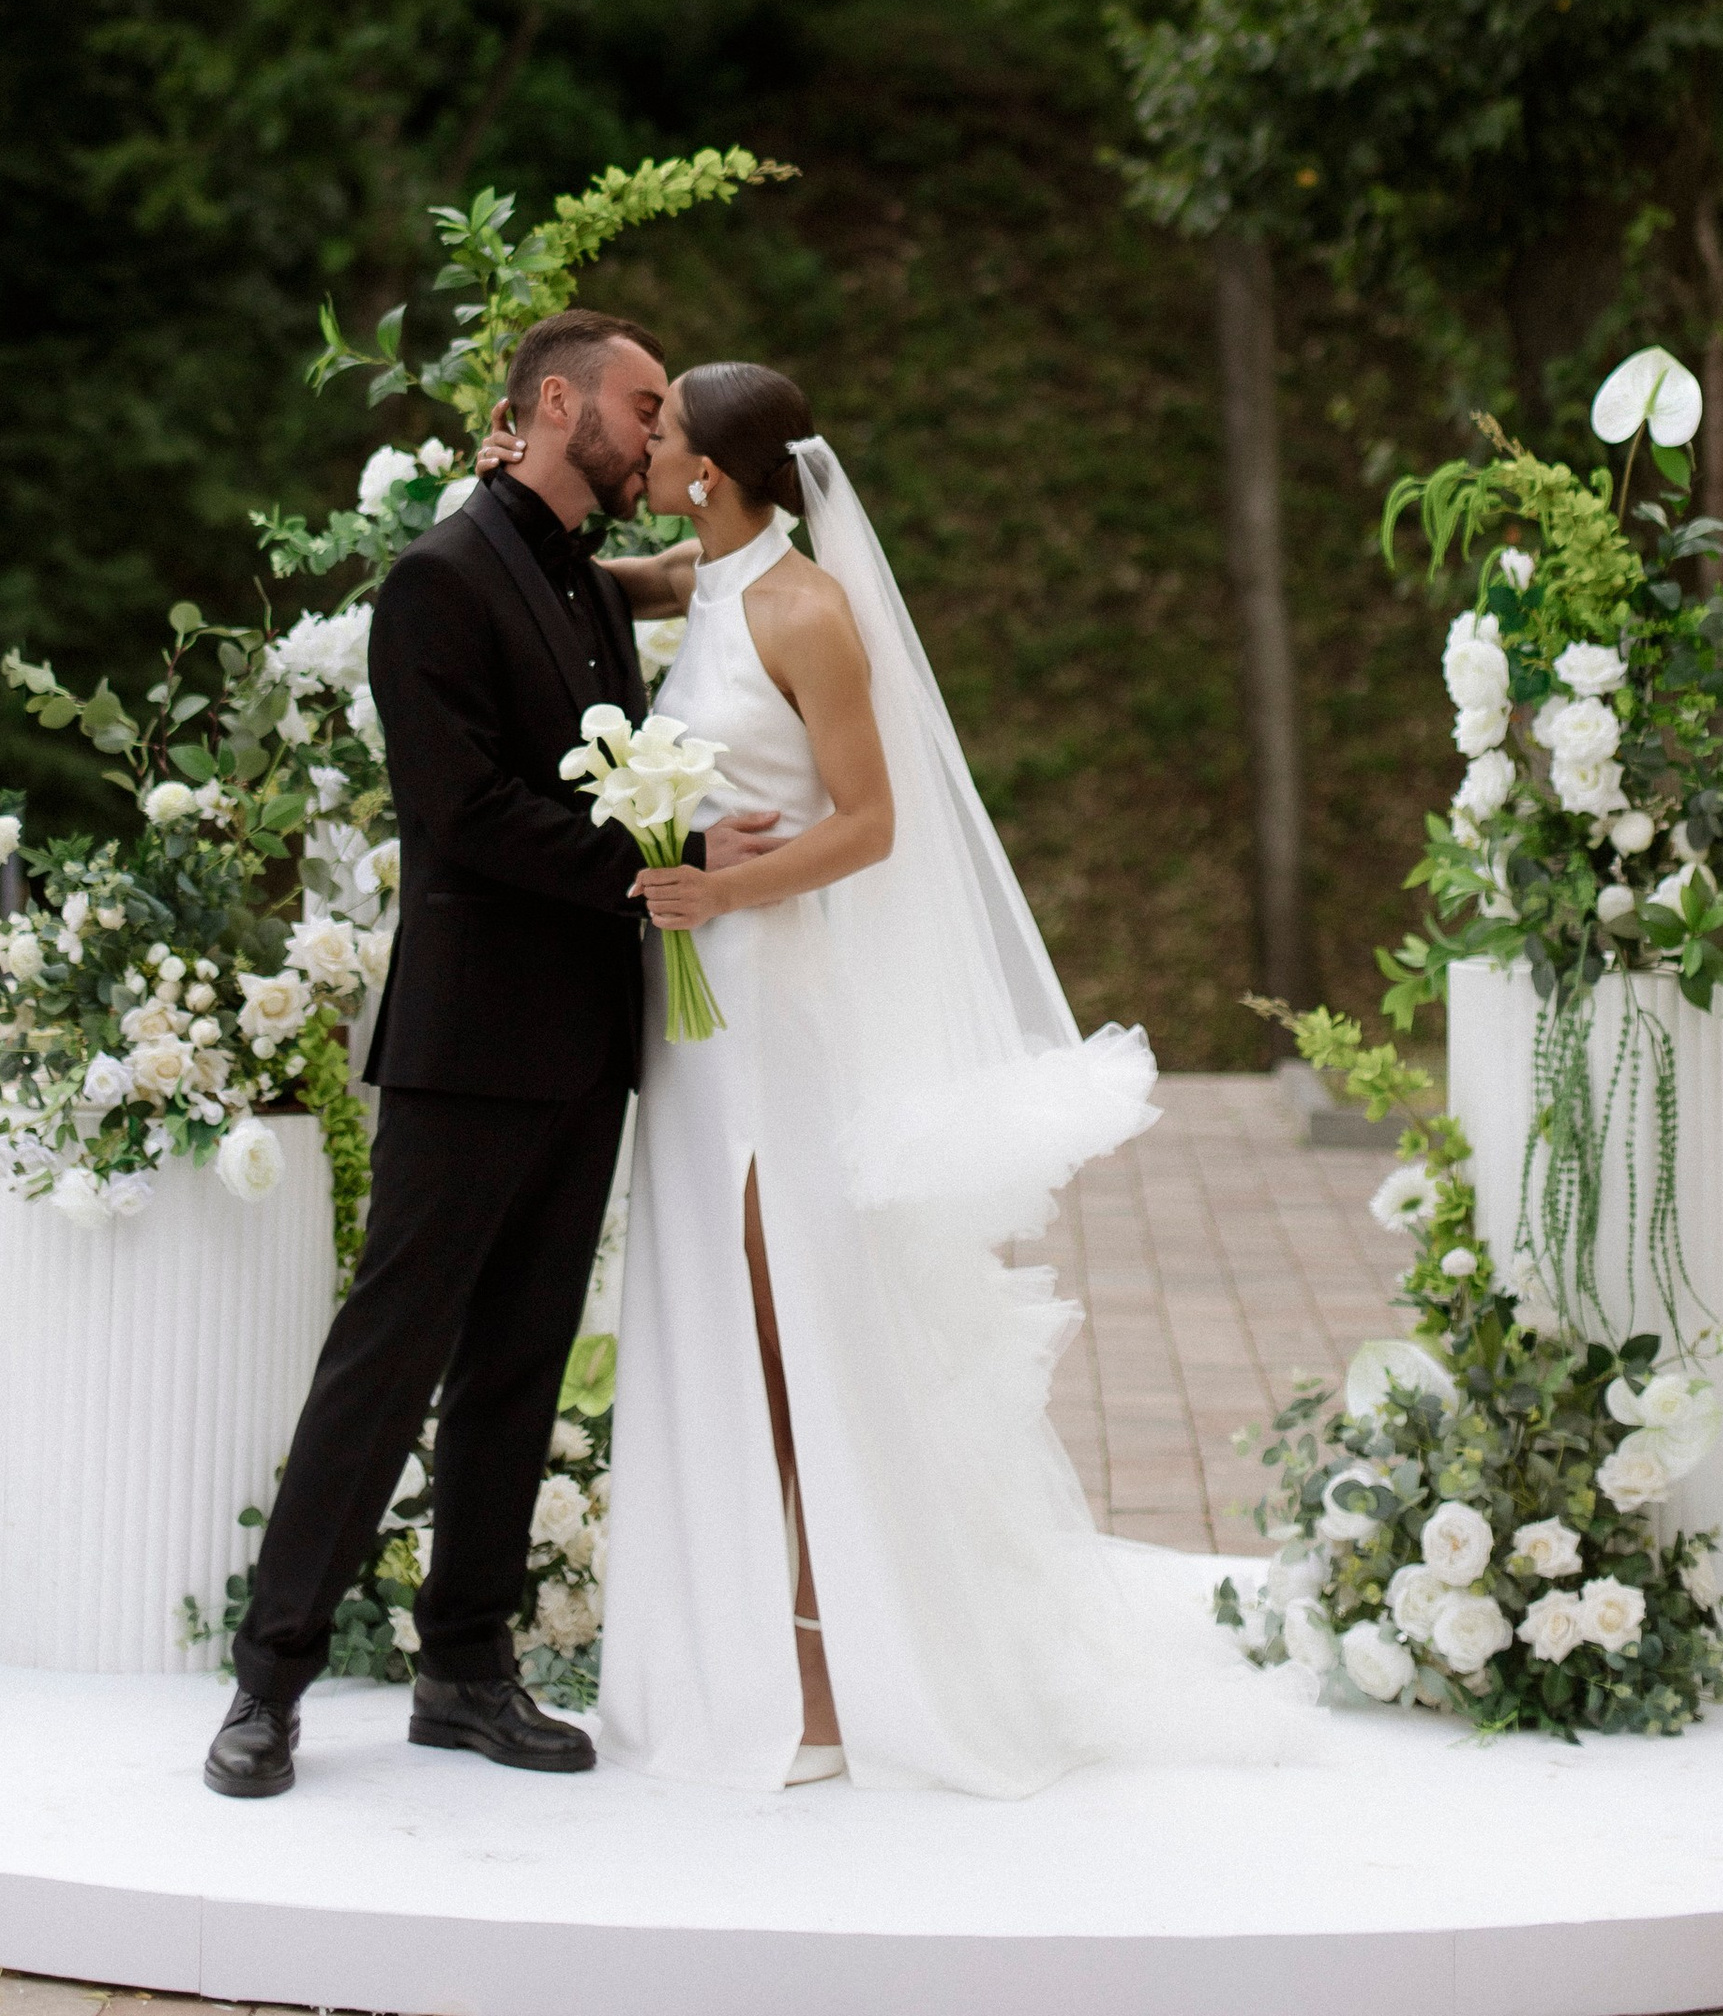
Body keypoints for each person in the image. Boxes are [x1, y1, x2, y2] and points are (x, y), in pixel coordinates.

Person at [507, 358, 1290, 1794]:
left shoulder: (808, 607)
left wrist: (716, 895)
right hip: (695, 1014)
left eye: (666, 426)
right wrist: (504, 508)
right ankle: (717, 1643)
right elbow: (628, 579)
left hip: (774, 1001)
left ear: (718, 466)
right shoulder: (715, 568)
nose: (649, 436)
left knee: (795, 1305)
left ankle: (825, 1671)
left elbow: (869, 825)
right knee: (716, 1310)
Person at [204, 307, 785, 1801]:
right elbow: (458, 814)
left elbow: (706, 573)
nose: (657, 428)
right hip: (470, 1043)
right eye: (641, 401)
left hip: (590, 1039)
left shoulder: (584, 580)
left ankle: (466, 1664)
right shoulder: (438, 580)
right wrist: (661, 854)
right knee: (388, 1359)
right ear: (553, 401)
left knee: (521, 1363)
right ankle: (269, 1680)